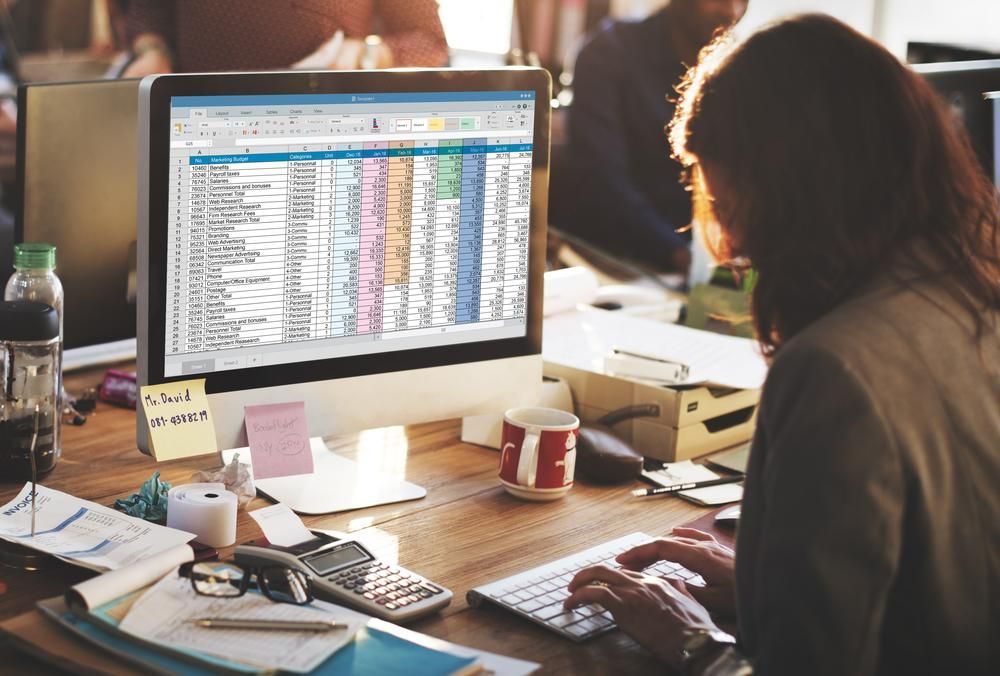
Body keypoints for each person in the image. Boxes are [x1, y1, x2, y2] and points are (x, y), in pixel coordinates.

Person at [564, 14, 1000, 676]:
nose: (734, 250)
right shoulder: (974, 299)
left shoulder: (836, 370)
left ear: (798, 197)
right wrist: (769, 588)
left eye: (734, 213)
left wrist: (688, 639)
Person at [556, 0, 747, 272]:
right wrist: (680, 253)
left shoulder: (733, 66)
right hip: (614, 262)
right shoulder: (610, 52)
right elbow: (601, 179)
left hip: (698, 264)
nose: (732, 11)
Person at [118, 0, 448, 77]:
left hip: (320, 137)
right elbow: (151, 10)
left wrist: (371, 54)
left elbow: (429, 42)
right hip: (193, 130)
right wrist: (153, 49)